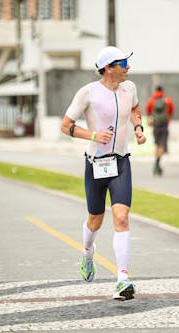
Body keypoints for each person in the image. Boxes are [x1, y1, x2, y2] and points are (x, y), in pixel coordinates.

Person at [60, 46, 146, 301]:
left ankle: (122, 279)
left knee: (121, 217)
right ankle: (87, 253)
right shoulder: (88, 93)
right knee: (95, 219)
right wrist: (94, 135)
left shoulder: (129, 88)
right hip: (96, 163)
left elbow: (134, 109)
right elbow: (66, 126)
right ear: (109, 67)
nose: (128, 67)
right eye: (123, 63)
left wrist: (139, 128)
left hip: (121, 162)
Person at [146, 85, 174, 176]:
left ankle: (156, 164)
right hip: (164, 126)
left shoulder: (151, 101)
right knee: (162, 145)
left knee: (157, 145)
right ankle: (157, 164)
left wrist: (152, 121)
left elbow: (148, 112)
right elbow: (171, 111)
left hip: (155, 126)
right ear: (162, 91)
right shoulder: (168, 100)